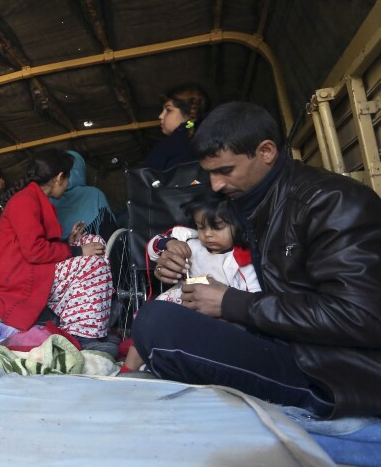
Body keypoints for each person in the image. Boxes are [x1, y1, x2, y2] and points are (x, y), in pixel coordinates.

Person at [135, 101, 381, 418]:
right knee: (160, 317)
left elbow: (362, 316)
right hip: (278, 340)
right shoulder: (241, 203)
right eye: (209, 173)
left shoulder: (331, 202)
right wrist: (171, 250)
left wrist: (233, 304)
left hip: (333, 374)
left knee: (158, 324)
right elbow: (187, 237)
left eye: (225, 171)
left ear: (265, 152)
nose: (216, 185)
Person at [0, 149, 116, 353]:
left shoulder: (35, 198)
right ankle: (82, 335)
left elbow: (37, 243)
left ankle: (84, 323)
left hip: (32, 265)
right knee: (93, 263)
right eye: (67, 179)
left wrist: (70, 242)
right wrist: (75, 251)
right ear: (59, 178)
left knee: (93, 241)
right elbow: (34, 251)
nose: (68, 185)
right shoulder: (25, 201)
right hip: (18, 274)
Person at [121, 191, 259, 373]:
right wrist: (168, 244)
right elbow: (153, 247)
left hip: (214, 315)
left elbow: (251, 298)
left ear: (239, 224)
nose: (207, 235)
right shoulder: (190, 243)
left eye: (217, 227)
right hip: (177, 301)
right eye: (201, 227)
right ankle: (127, 370)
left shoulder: (240, 261)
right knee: (146, 333)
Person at [50, 150, 115, 240]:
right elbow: (110, 231)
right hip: (96, 249)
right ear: (81, 170)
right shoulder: (95, 195)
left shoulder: (48, 199)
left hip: (61, 251)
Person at [144, 83, 209, 171]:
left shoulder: (168, 148)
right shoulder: (215, 137)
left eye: (168, 110)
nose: (161, 116)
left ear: (189, 112)